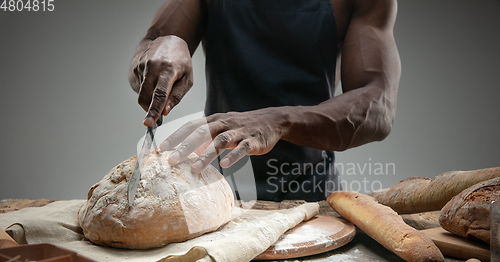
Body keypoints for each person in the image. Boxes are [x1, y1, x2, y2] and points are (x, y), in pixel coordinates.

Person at [128, 0, 401, 202]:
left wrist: (278, 122)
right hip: (216, 190)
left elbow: (378, 103)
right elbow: (148, 49)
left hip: (312, 196)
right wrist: (164, 46)